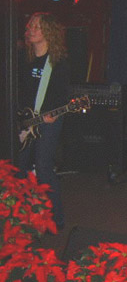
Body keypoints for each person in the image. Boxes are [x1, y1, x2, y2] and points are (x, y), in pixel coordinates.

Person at [16, 12, 71, 230]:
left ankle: (56, 219)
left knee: (43, 167)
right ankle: (20, 220)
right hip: (23, 121)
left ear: (48, 32)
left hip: (47, 121)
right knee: (17, 170)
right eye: (30, 26)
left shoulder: (58, 62)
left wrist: (54, 113)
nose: (30, 30)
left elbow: (62, 96)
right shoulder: (23, 58)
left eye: (36, 27)